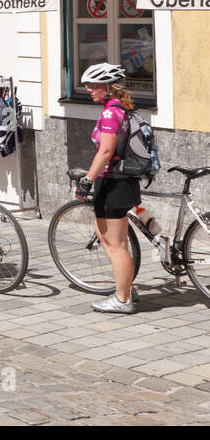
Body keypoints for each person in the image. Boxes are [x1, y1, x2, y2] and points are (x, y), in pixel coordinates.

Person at [75, 62, 143, 314]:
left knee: (116, 245)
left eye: (94, 85)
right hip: (121, 182)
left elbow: (105, 151)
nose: (90, 90)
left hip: (114, 183)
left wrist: (87, 180)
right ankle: (125, 286)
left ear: (109, 86)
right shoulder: (122, 109)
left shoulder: (109, 113)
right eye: (88, 86)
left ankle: (123, 299)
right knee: (108, 237)